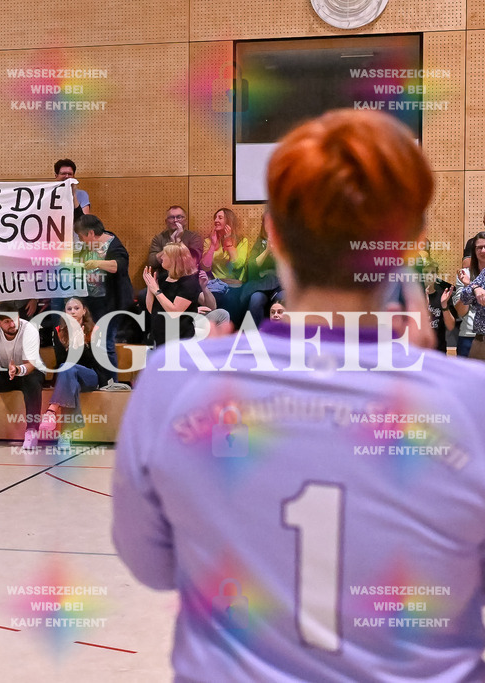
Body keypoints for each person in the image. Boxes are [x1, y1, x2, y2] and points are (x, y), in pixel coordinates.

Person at [114, 109, 485, 680]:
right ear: (405, 245)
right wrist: (432, 376)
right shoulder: (472, 402)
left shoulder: (173, 380)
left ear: (277, 237)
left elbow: (152, 565)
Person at [40, 297, 112, 450]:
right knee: (68, 375)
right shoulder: (59, 331)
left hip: (91, 375)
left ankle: (51, 410)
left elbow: (98, 362)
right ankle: (66, 435)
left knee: (68, 370)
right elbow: (60, 361)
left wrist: (82, 346)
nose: (72, 311)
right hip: (69, 376)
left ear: (84, 311)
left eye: (76, 308)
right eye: (69, 309)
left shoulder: (94, 330)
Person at [0, 301, 44, 451]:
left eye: (14, 319)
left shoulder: (29, 330)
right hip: (4, 371)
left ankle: (32, 431)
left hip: (29, 370)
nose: (12, 324)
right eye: (7, 321)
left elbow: (31, 364)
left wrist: (18, 369)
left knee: (32, 382)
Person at [73, 215, 133, 366]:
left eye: (81, 236)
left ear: (91, 233)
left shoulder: (113, 245)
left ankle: (111, 381)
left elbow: (119, 266)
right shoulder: (88, 245)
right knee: (93, 343)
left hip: (111, 303)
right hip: (92, 302)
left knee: (105, 342)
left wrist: (98, 263)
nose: (80, 240)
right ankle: (100, 379)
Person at [142, 243, 203, 347]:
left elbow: (174, 312)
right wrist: (150, 287)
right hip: (160, 337)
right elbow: (151, 309)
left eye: (165, 254)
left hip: (180, 340)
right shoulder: (162, 278)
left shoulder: (189, 283)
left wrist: (156, 291)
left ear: (174, 259)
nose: (161, 257)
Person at [200, 208, 249, 319]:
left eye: (220, 218)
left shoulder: (242, 240)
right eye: (215, 218)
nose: (216, 220)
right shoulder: (208, 241)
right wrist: (212, 245)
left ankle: (229, 332)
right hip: (215, 284)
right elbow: (205, 267)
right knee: (209, 299)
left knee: (230, 299)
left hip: (235, 284)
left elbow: (237, 265)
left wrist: (228, 241)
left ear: (229, 221)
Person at [239, 216, 282, 326]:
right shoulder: (260, 243)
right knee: (255, 299)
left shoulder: (284, 242)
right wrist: (267, 250)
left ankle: (283, 333)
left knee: (283, 298)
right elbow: (252, 267)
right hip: (260, 285)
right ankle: (257, 336)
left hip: (279, 285)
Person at [147, 206, 203, 273]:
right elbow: (152, 262)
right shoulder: (159, 238)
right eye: (171, 217)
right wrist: (172, 244)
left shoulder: (194, 237)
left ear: (185, 221)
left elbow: (194, 260)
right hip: (165, 277)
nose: (175, 220)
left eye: (179, 217)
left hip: (188, 276)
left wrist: (178, 241)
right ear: (166, 222)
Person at [456, 231, 485, 360]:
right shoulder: (467, 274)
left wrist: (471, 285)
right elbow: (465, 299)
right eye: (479, 247)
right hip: (476, 337)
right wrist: (474, 287)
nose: (483, 251)